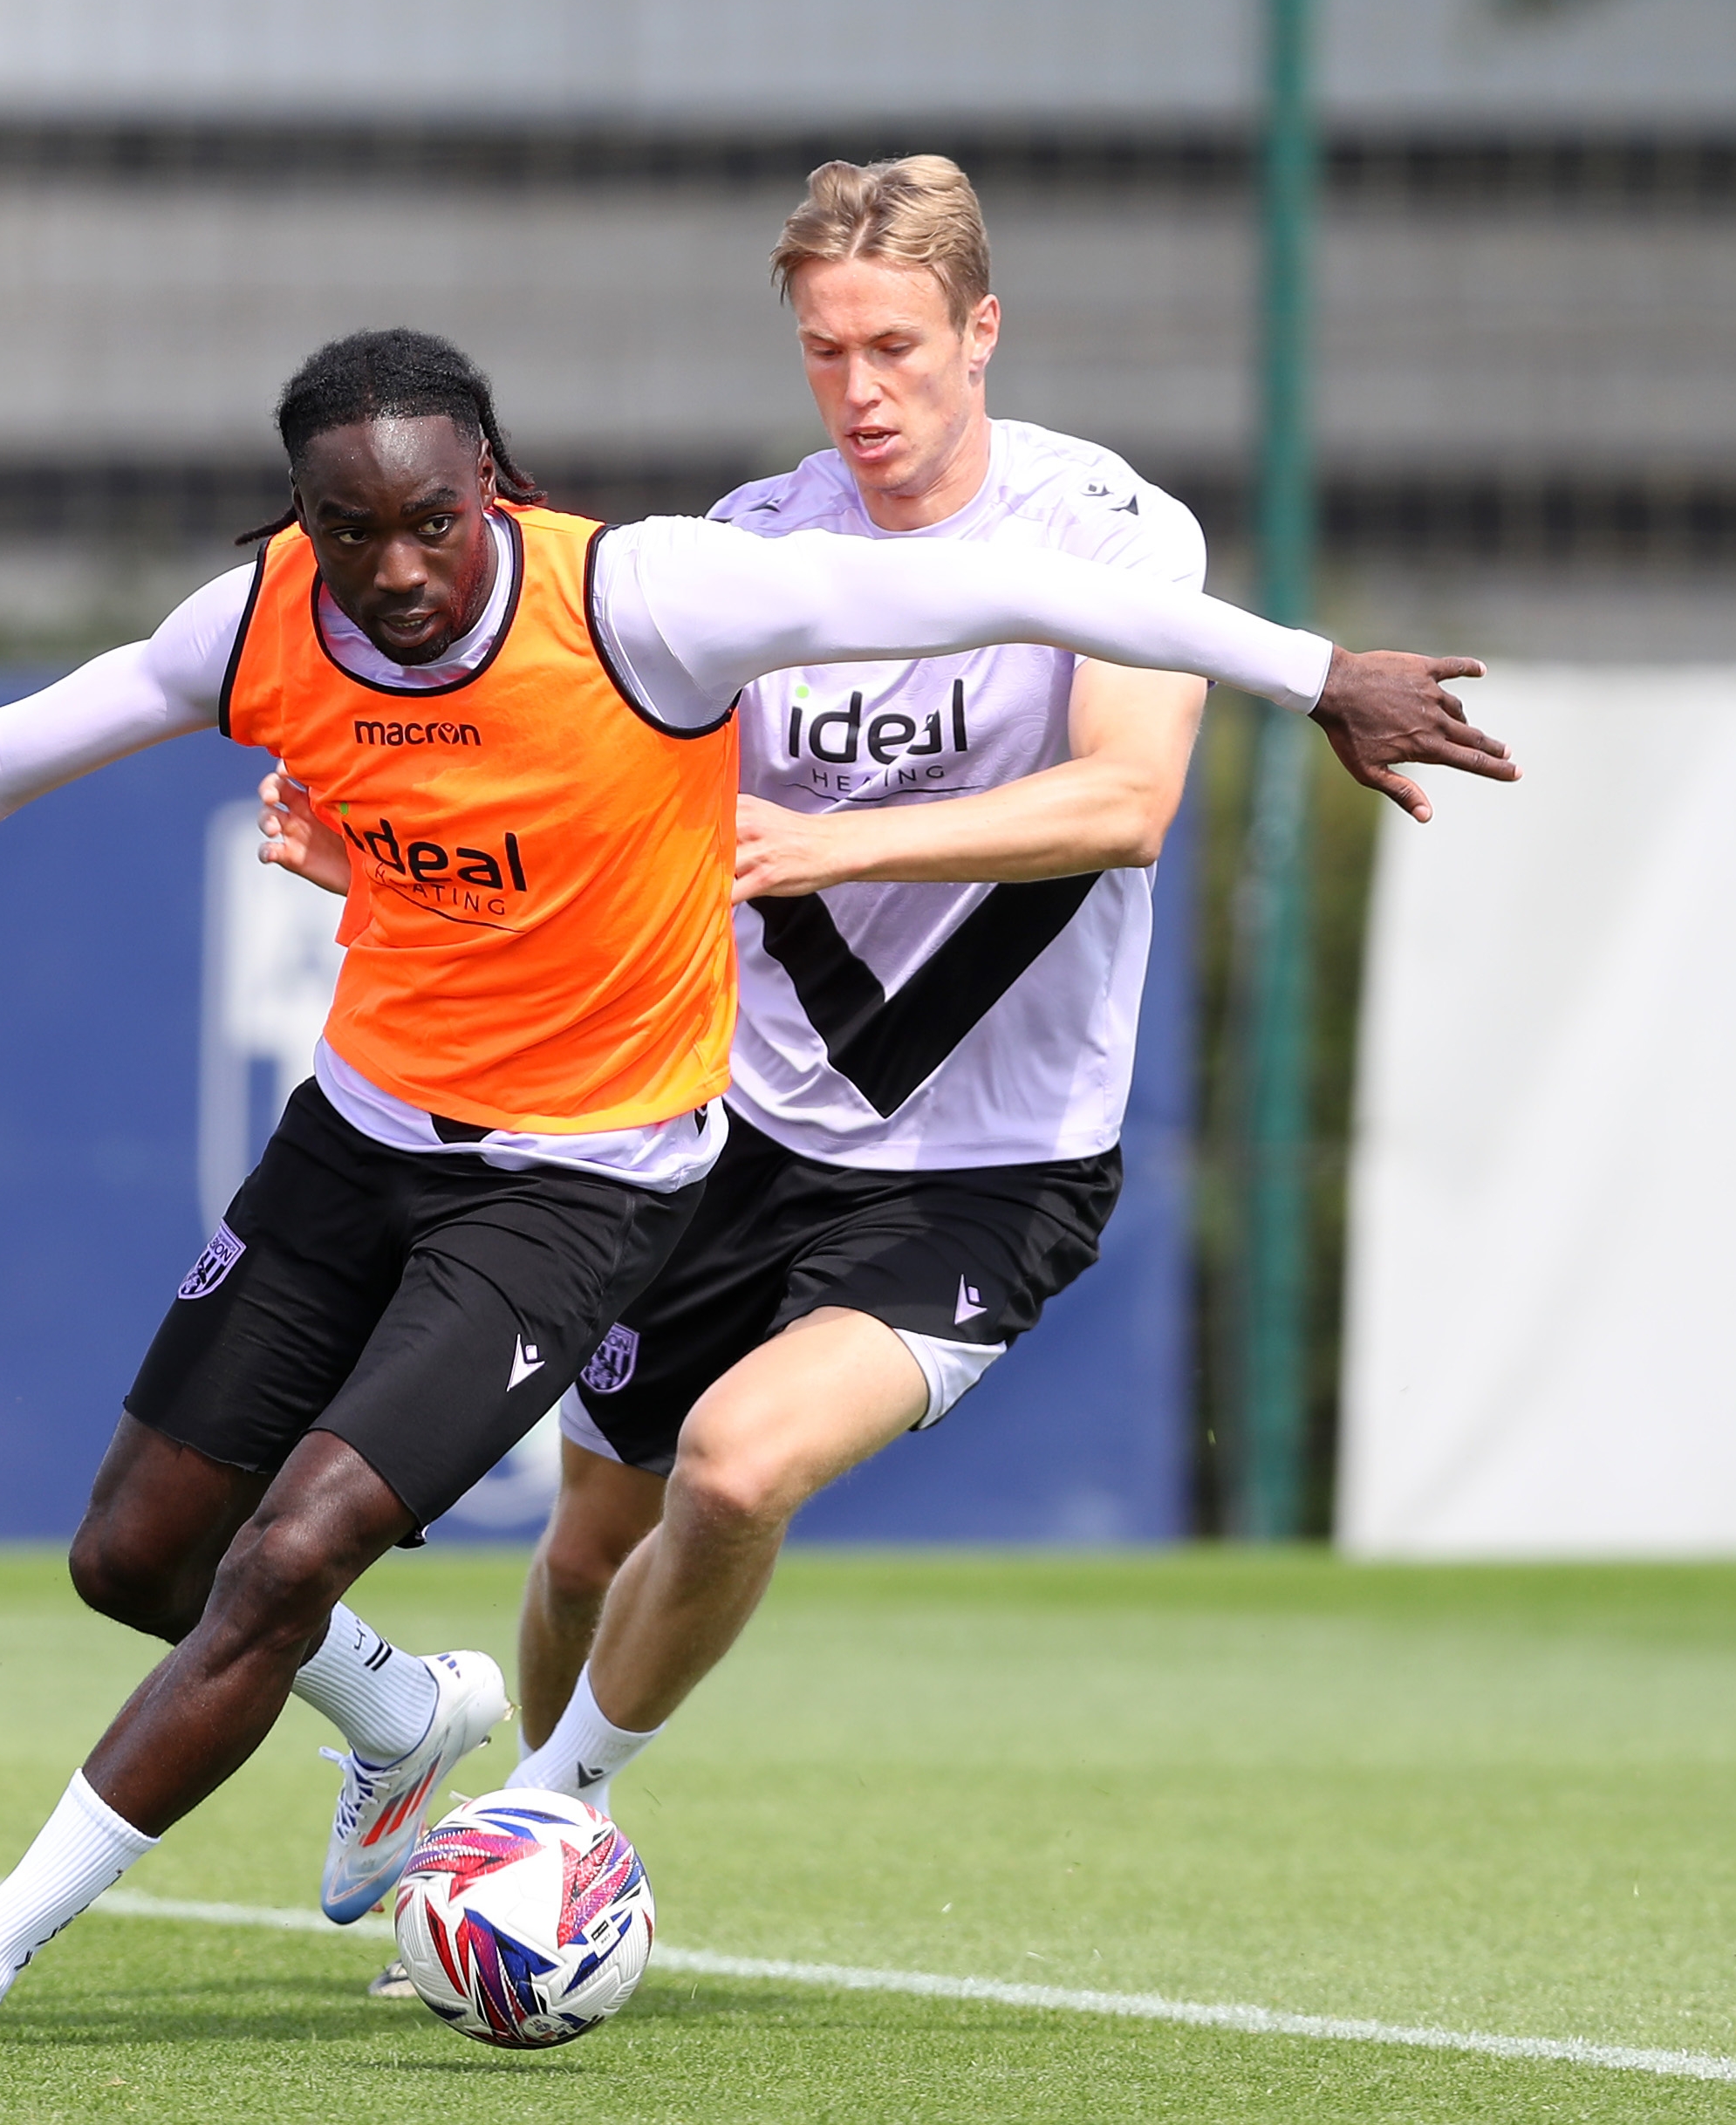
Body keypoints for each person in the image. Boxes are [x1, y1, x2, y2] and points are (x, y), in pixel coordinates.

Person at [0, 325, 1500, 2058]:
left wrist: (1312, 669)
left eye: (435, 517)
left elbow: (1041, 601)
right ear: (300, 526)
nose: (402, 565)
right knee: (140, 1557)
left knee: (292, 1546)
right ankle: (404, 1711)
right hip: (355, 1140)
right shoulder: (256, 624)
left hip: (579, 1185)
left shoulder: (652, 603)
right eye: (354, 529)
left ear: (497, 487)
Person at [263, 162, 1511, 1992]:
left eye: (899, 346)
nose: (861, 388)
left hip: (988, 1164)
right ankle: (513, 1836)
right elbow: (605, 817)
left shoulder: (1105, 533)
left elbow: (1123, 806)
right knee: (594, 1522)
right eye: (827, 348)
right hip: (728, 1129)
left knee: (738, 1460)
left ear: (981, 329)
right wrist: (381, 855)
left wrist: (813, 846)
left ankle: (527, 1832)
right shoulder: (756, 546)